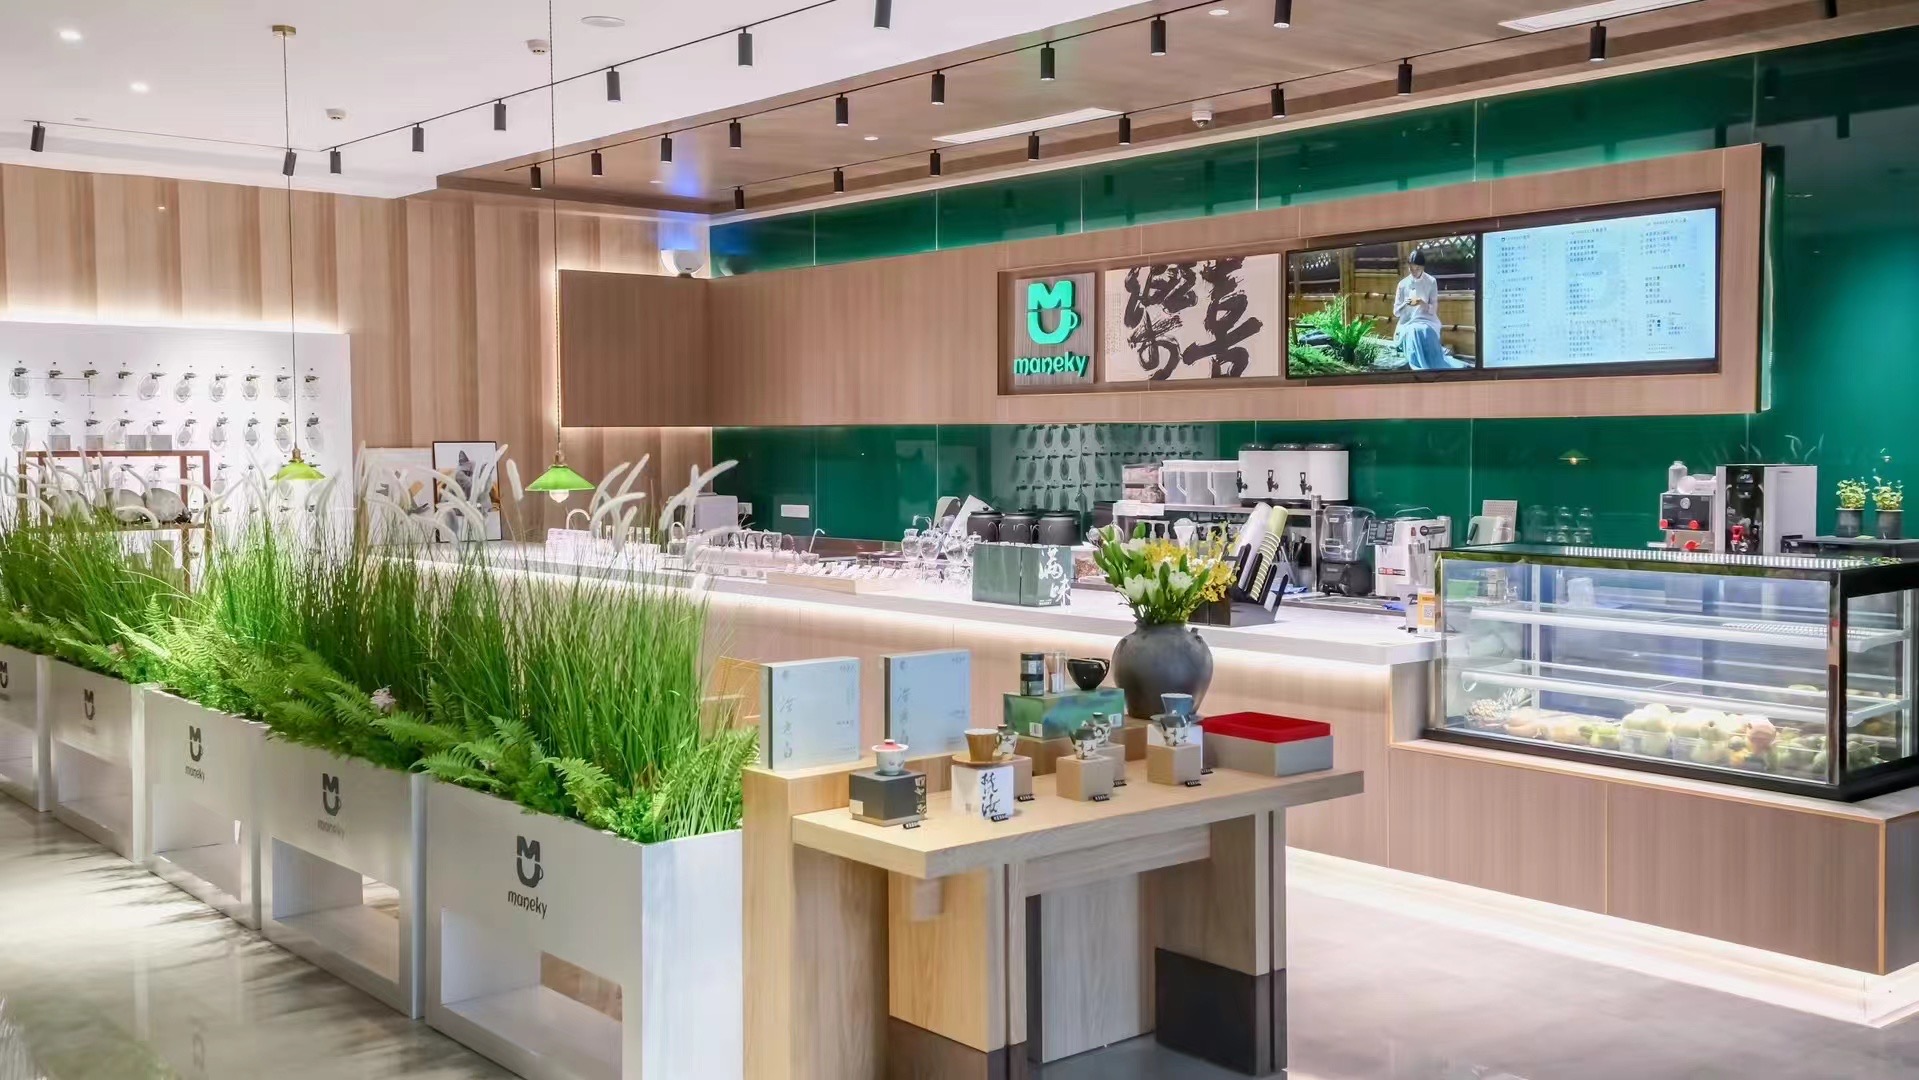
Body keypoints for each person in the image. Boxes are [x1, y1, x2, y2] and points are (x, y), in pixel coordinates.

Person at [1393, 250, 1452, 370]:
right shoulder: (1402, 284)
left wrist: (1422, 303)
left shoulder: (1431, 281)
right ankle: (1418, 363)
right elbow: (1396, 312)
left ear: (1423, 267)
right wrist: (1405, 303)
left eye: (1417, 269)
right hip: (1408, 322)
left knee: (1425, 331)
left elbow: (1433, 309)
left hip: (1427, 320)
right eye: (1411, 269)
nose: (1414, 272)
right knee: (1415, 331)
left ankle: (1432, 363)